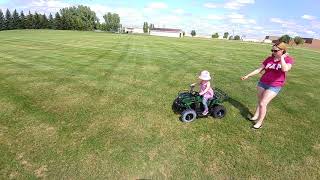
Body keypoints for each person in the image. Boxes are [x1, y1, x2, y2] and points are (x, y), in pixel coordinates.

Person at [241, 42, 294, 129]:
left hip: (275, 85)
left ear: (282, 50)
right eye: (272, 50)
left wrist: (282, 58)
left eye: (275, 50)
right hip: (262, 83)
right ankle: (256, 115)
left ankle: (259, 122)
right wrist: (248, 75)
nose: (273, 52)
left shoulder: (288, 59)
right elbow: (259, 69)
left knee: (263, 103)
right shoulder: (269, 59)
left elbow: (285, 69)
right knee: (260, 101)